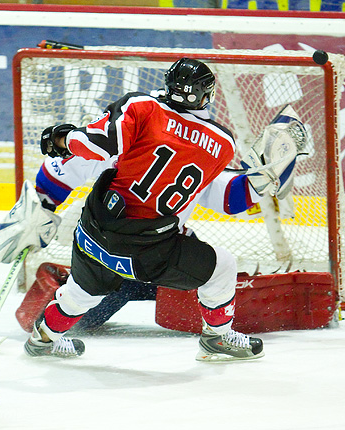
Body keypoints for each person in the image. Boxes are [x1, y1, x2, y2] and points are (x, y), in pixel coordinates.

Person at [23, 58, 273, 361]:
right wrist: (270, 177)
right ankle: (217, 337)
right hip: (150, 253)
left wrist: (64, 139)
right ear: (206, 95)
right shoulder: (221, 143)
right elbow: (231, 199)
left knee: (81, 292)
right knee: (222, 266)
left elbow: (90, 148)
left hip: (95, 234)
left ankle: (43, 338)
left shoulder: (140, 108)